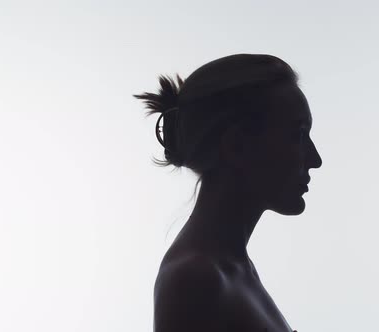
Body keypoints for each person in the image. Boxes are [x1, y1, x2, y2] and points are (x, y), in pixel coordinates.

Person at [134, 53, 323, 332]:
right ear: (236, 145)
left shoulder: (231, 267)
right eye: (297, 135)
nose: (315, 158)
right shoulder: (195, 279)